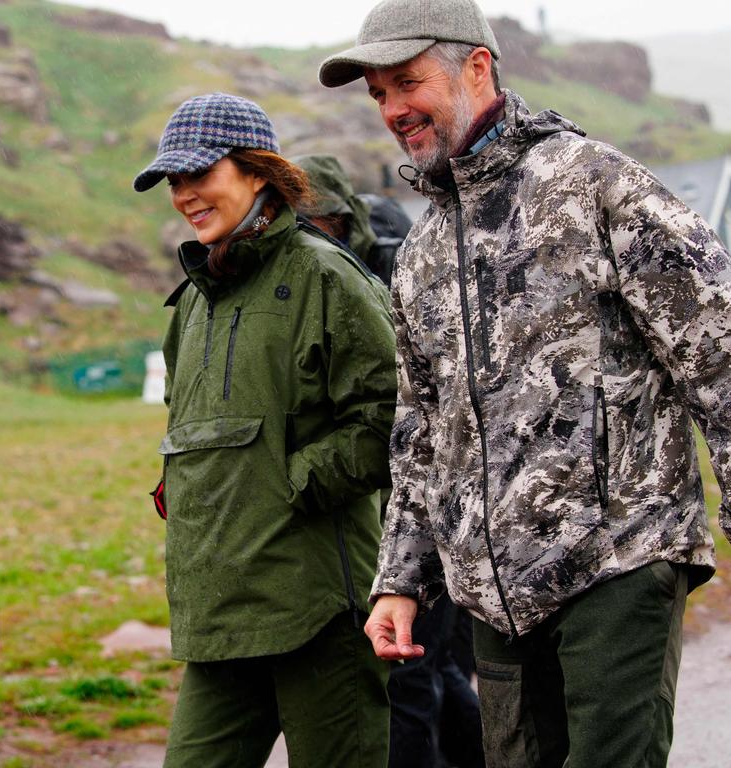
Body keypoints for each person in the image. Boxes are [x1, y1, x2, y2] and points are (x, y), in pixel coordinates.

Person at [318, 1, 731, 766]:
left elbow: (722, 343)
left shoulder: (595, 184)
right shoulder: (423, 247)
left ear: (476, 66)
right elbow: (420, 431)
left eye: (406, 82)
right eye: (378, 95)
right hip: (490, 591)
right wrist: (401, 579)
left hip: (619, 557)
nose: (394, 109)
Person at [133, 93, 396, 767]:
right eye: (173, 180)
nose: (184, 194)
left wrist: (287, 483)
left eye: (199, 174)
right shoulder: (190, 301)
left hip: (319, 611)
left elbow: (391, 416)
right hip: (219, 613)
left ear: (257, 171)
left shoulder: (326, 276)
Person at [295, 152, 484, 768]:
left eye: (315, 220)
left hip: (430, 503)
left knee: (413, 674)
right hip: (402, 511)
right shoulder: (341, 262)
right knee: (431, 666)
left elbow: (408, 412)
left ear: (341, 217)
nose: (305, 234)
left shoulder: (380, 272)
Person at [293, 153, 410, 287]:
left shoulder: (393, 261)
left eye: (305, 218)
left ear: (337, 216)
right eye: (292, 220)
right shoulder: (293, 269)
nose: (298, 228)